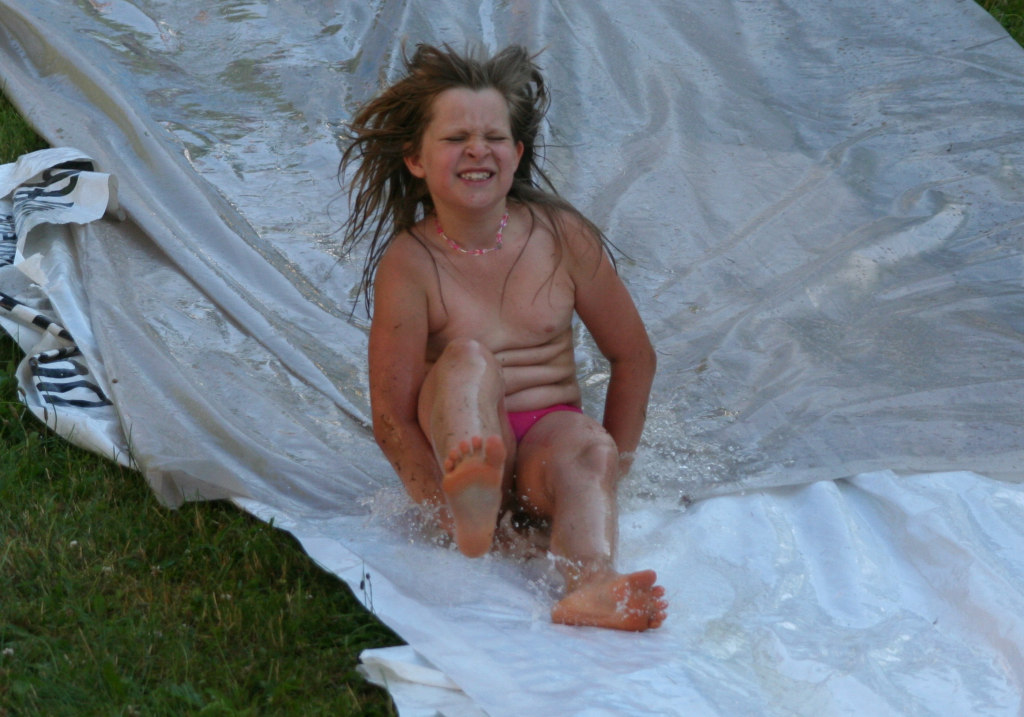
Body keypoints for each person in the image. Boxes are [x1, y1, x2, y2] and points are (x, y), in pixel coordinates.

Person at [339, 43, 666, 631]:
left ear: (516, 155)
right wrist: (444, 515)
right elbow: (391, 414)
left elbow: (634, 356)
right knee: (467, 360)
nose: (476, 149)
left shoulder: (561, 236)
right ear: (415, 159)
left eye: (493, 137)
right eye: (455, 136)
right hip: (462, 440)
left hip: (546, 448)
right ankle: (471, 507)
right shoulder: (410, 263)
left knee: (586, 443)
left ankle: (590, 585)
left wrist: (610, 471)